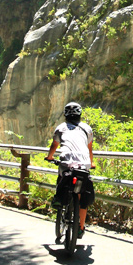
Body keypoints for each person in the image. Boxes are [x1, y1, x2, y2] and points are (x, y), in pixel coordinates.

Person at [45, 102, 95, 239]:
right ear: (80, 114)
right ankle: (81, 227)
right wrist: (91, 163)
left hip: (66, 164)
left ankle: (58, 199)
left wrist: (49, 157)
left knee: (62, 177)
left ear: (65, 115)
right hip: (84, 165)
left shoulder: (61, 128)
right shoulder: (87, 128)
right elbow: (89, 149)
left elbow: (54, 145)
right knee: (82, 195)